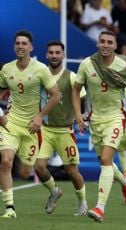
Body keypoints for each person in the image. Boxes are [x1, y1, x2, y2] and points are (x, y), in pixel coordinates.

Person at [72, 30, 126, 222]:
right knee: (104, 162)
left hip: (116, 117)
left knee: (106, 159)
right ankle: (125, 181)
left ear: (115, 46)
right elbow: (76, 90)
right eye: (102, 41)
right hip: (95, 119)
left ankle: (99, 207)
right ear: (98, 44)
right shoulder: (87, 64)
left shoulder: (125, 66)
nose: (105, 45)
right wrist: (78, 114)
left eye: (109, 42)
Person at [0, 30, 60, 218]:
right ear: (14, 46)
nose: (20, 46)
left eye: (24, 43)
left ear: (31, 47)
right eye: (17, 43)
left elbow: (56, 95)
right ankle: (10, 208)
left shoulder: (40, 69)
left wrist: (40, 116)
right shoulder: (6, 69)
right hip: (10, 123)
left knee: (25, 173)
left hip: (32, 127)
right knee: (5, 161)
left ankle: (54, 190)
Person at [34, 41, 88, 216]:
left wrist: (83, 115)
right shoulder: (40, 76)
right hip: (46, 130)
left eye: (58, 52)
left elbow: (84, 98)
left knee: (72, 171)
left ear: (63, 55)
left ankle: (82, 202)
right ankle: (54, 191)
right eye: (51, 52)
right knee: (39, 167)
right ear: (46, 55)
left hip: (65, 131)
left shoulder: (72, 77)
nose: (54, 55)